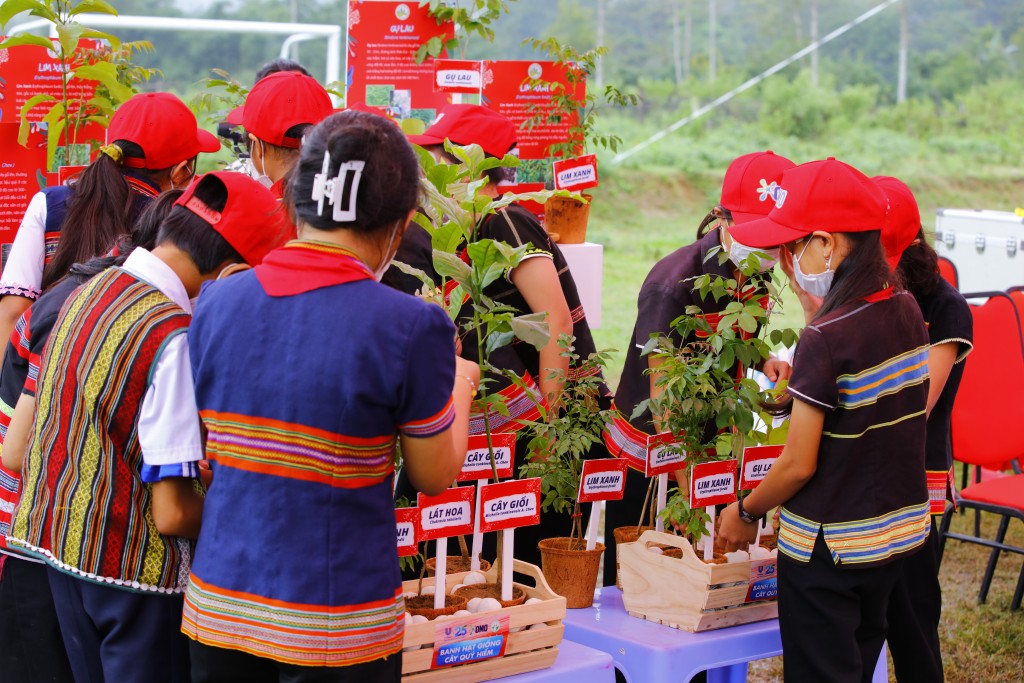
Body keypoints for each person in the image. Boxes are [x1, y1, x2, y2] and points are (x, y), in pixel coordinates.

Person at [180, 111, 478, 682]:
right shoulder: (412, 326)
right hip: (335, 626)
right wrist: (460, 386)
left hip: (219, 611)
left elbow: (206, 445)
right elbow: (433, 474)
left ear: (293, 200)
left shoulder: (217, 302)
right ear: (401, 223)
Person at [6, 172, 287, 683]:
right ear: (232, 276)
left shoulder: (88, 289)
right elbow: (174, 512)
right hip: (134, 583)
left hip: (63, 559)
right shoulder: (170, 338)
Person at [718, 158, 932, 682]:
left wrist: (743, 512)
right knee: (857, 667)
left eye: (794, 247)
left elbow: (797, 465)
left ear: (828, 244)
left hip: (826, 552)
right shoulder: (905, 309)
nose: (788, 261)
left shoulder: (826, 337)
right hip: (889, 540)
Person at [407, 104, 608, 567]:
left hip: (539, 422)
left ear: (470, 167)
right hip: (501, 421)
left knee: (527, 558)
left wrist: (549, 428)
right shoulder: (459, 231)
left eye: (436, 156)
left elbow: (555, 319)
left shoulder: (504, 221)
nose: (426, 169)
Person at [0, 189, 181, 683]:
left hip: (39, 537)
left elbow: (13, 450)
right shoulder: (160, 326)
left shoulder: (73, 298)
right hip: (92, 556)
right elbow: (171, 510)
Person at [602, 150, 795, 586]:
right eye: (757, 232)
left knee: (700, 578)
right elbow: (662, 397)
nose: (767, 247)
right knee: (639, 577)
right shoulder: (672, 284)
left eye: (776, 235)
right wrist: (691, 481)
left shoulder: (755, 271)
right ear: (722, 218)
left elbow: (729, 340)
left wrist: (764, 358)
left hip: (710, 443)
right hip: (654, 450)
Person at [0, 92, 219, 350]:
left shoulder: (48, 205)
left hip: (44, 376)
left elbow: (13, 313)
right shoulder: (179, 224)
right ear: (181, 171)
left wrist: (19, 389)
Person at [876, 177, 971, 683]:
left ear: (912, 247)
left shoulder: (945, 307)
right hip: (862, 474)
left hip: (914, 474)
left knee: (911, 619)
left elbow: (917, 403)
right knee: (861, 623)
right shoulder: (864, 291)